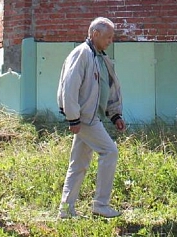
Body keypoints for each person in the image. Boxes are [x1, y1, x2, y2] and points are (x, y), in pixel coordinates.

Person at [56, 17, 125, 219]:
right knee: (110, 152)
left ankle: (66, 211)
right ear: (95, 34)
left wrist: (115, 115)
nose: (111, 41)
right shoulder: (82, 54)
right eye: (108, 36)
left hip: (92, 117)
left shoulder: (100, 58)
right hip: (85, 118)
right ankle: (101, 205)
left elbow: (110, 88)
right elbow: (69, 87)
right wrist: (73, 118)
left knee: (78, 164)